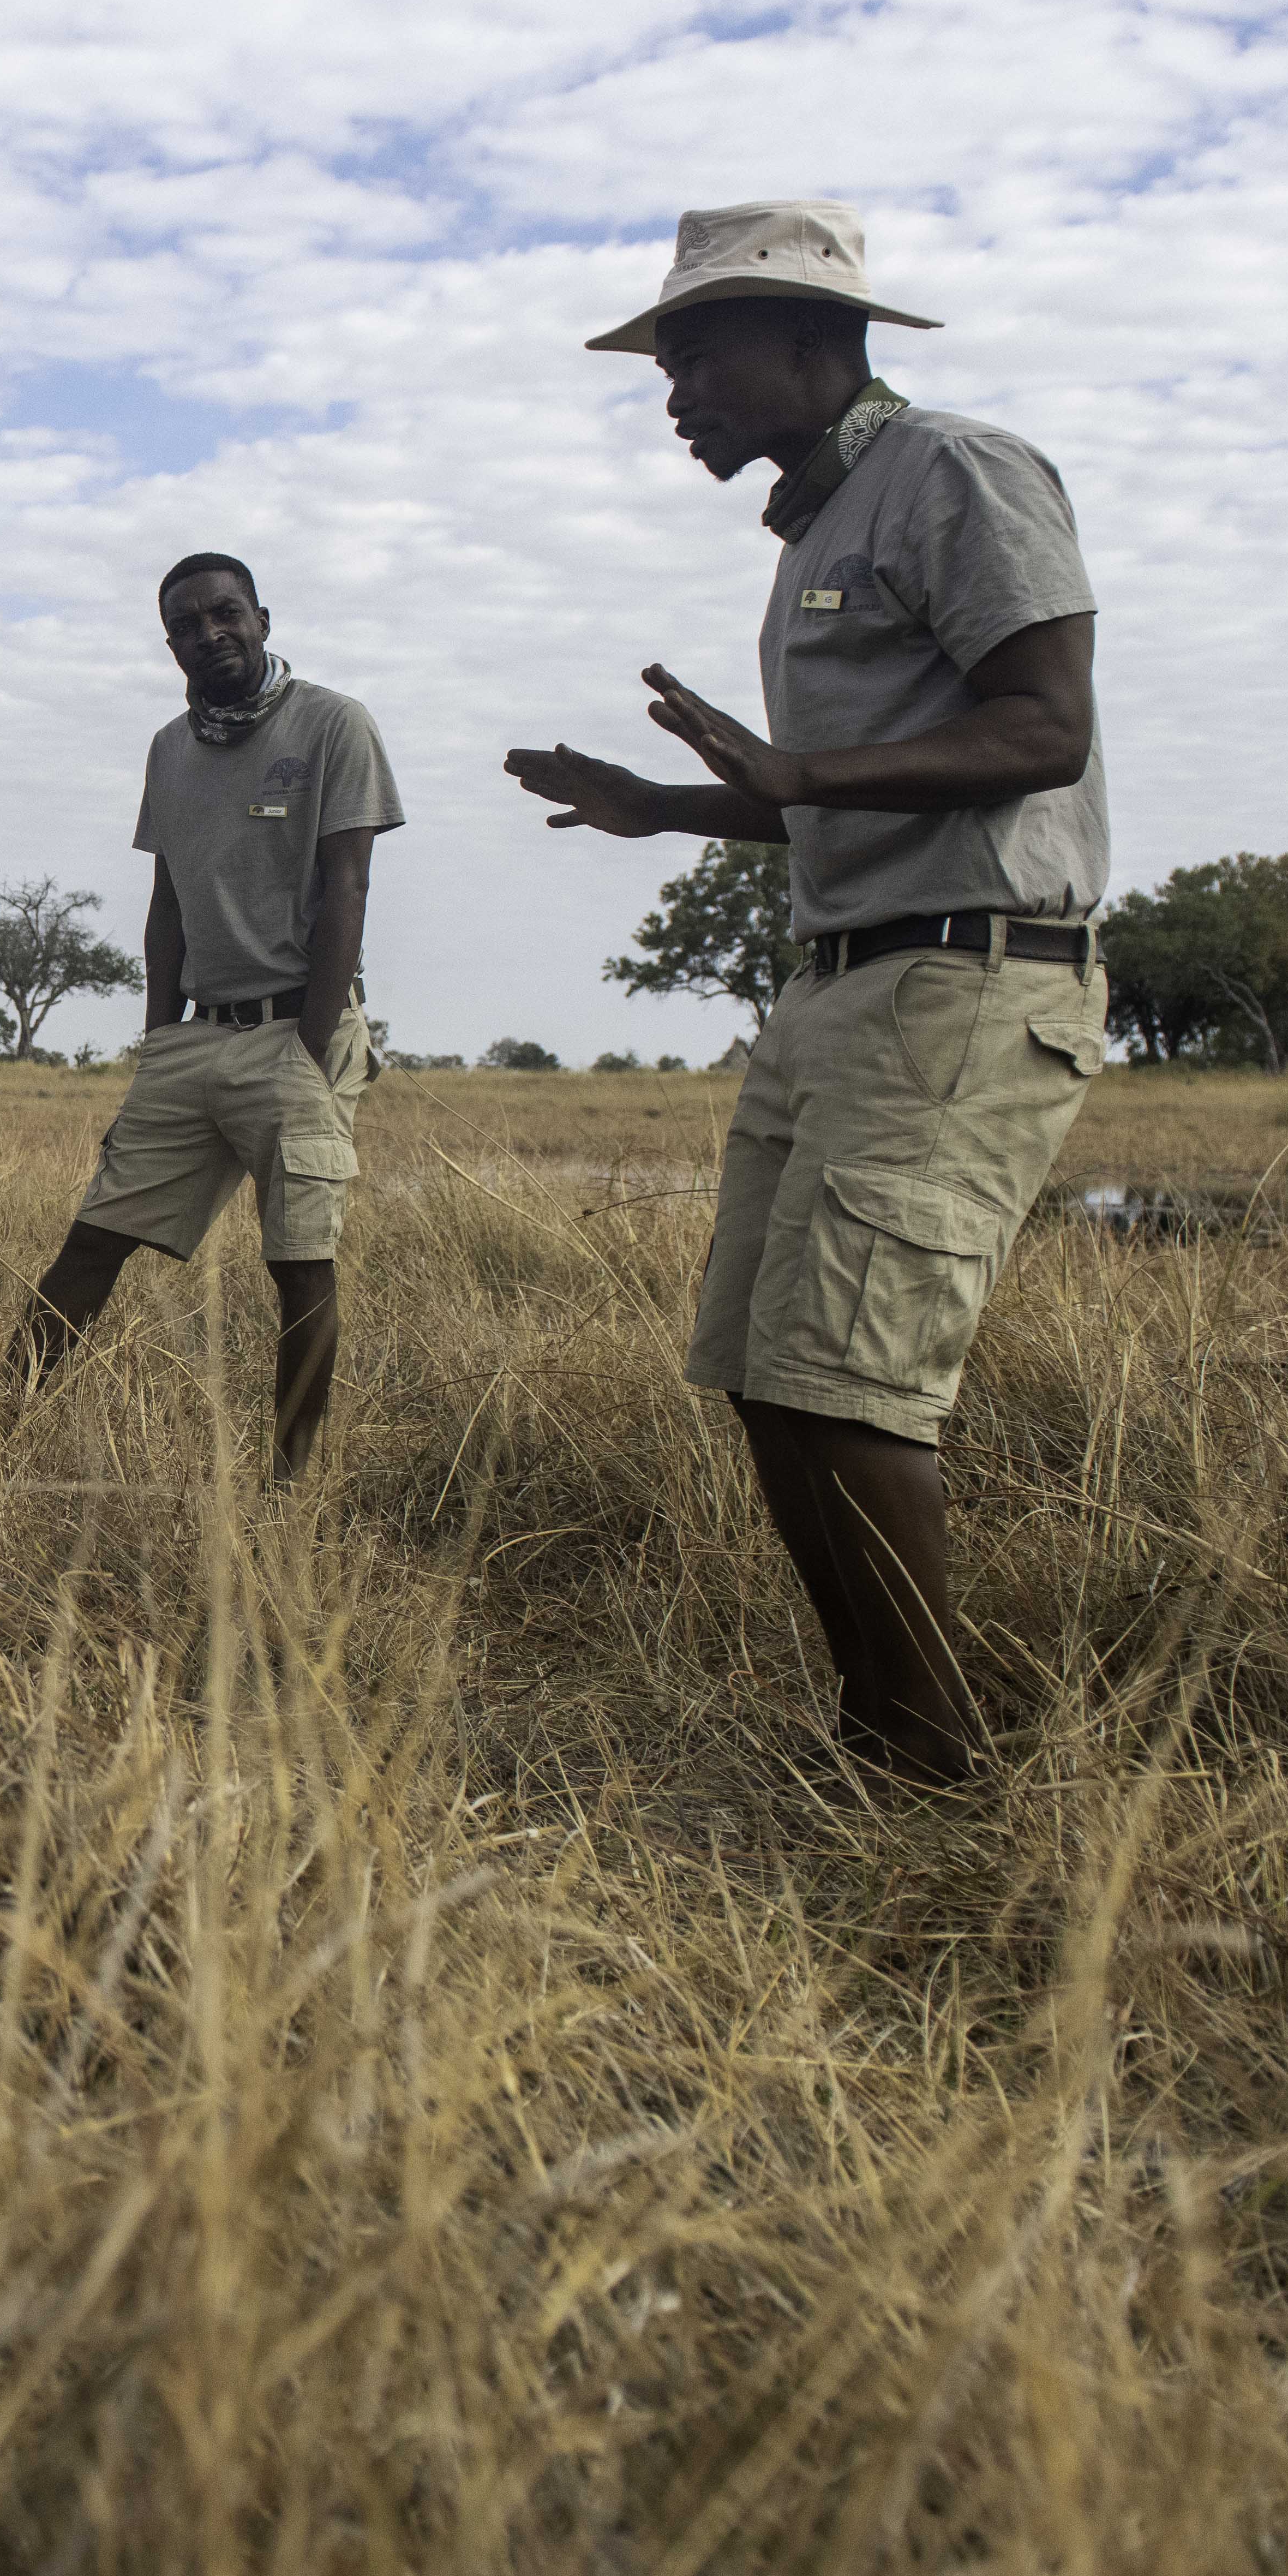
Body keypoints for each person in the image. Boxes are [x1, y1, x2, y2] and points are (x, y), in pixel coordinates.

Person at [508, 198, 1107, 1786]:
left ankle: (932, 1764)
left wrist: (797, 772)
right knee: (770, 1379)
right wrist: (667, 806)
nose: (673, 394)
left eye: (693, 355)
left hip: (962, 976)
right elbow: (833, 794)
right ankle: (875, 1731)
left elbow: (1043, 726)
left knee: (849, 1387)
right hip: (843, 978)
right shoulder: (817, 530)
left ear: (807, 335)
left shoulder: (957, 471)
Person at [10, 554, 402, 1478]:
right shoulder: (169, 748)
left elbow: (348, 888)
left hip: (298, 1028)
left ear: (262, 618)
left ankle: (287, 1488)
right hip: (194, 1037)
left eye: (226, 613)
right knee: (92, 1240)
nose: (209, 634)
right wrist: (158, 1042)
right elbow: (169, 904)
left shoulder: (334, 723)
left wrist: (310, 1048)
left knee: (299, 1263)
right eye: (186, 625)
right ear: (170, 643)